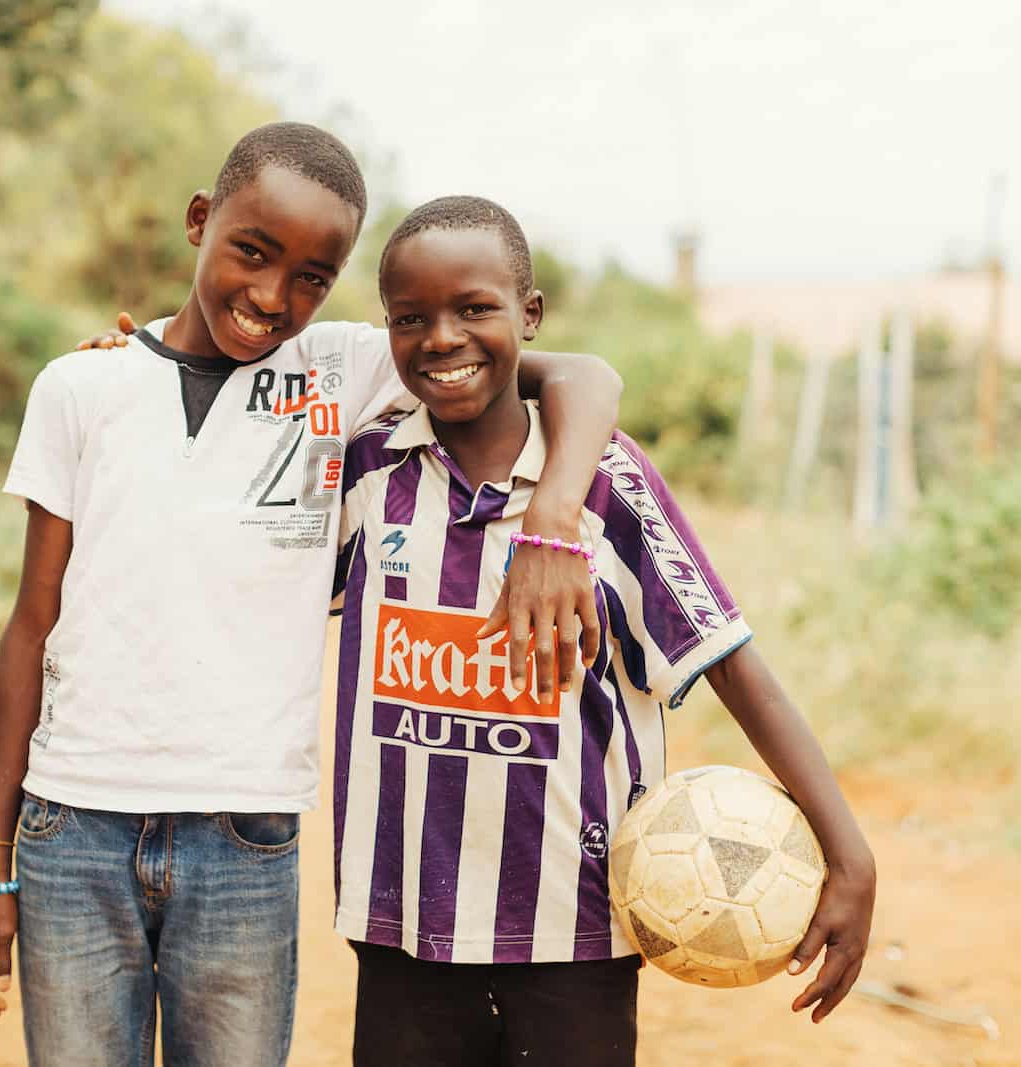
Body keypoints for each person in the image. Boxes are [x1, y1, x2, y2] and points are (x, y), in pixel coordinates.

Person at [0, 124, 625, 1067]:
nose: (273, 296)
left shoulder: (344, 369)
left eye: (313, 275)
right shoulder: (81, 387)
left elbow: (582, 374)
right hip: (72, 826)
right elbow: (31, 628)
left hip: (246, 834)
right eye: (252, 252)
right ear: (199, 221)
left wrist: (553, 513)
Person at [332, 196, 876, 1066]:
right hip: (402, 926)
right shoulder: (369, 469)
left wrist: (850, 854)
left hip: (572, 929)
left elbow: (732, 664)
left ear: (530, 315)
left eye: (475, 308)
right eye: (411, 317)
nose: (442, 337)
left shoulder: (608, 484)